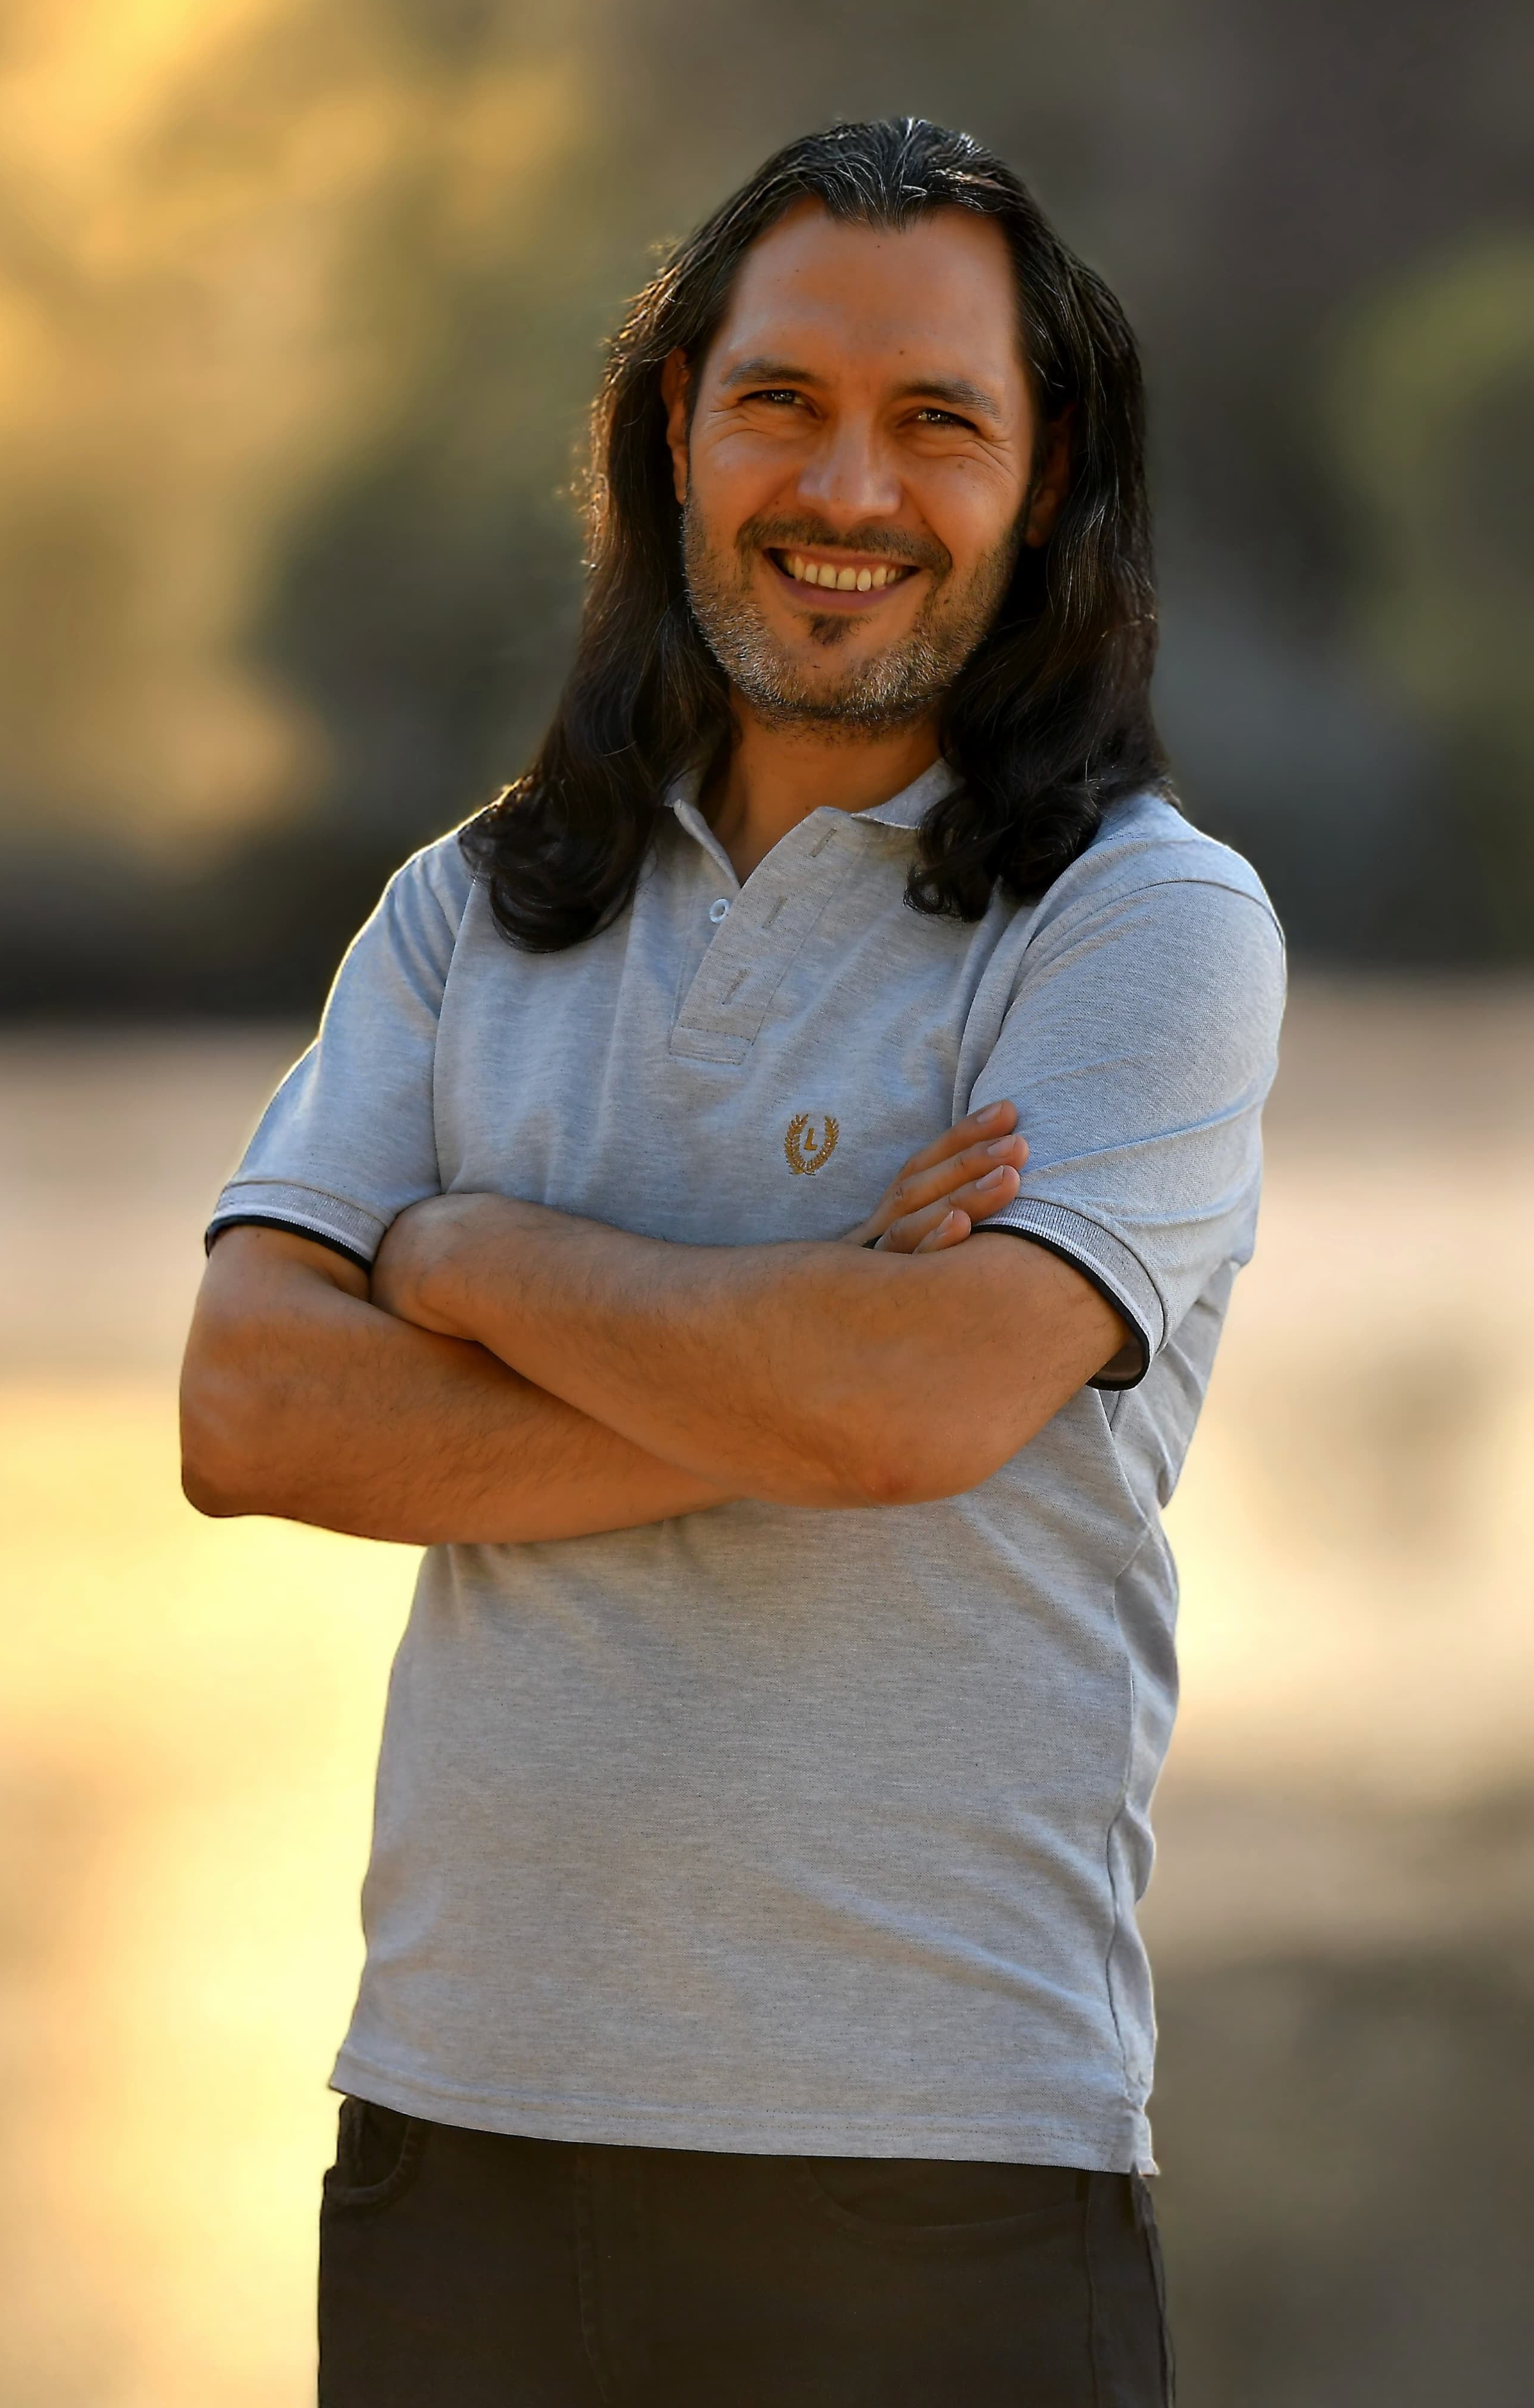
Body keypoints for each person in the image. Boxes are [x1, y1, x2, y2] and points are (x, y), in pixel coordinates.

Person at [181, 116, 1284, 2405]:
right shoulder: (469, 906)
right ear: (673, 420)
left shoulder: (1145, 926)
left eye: (936, 421)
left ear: (1047, 469)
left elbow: (913, 1411)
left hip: (938, 2177)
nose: (848, 490)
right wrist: (803, 1342)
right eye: (781, 399)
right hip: (458, 2163)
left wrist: (470, 1255)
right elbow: (249, 1410)